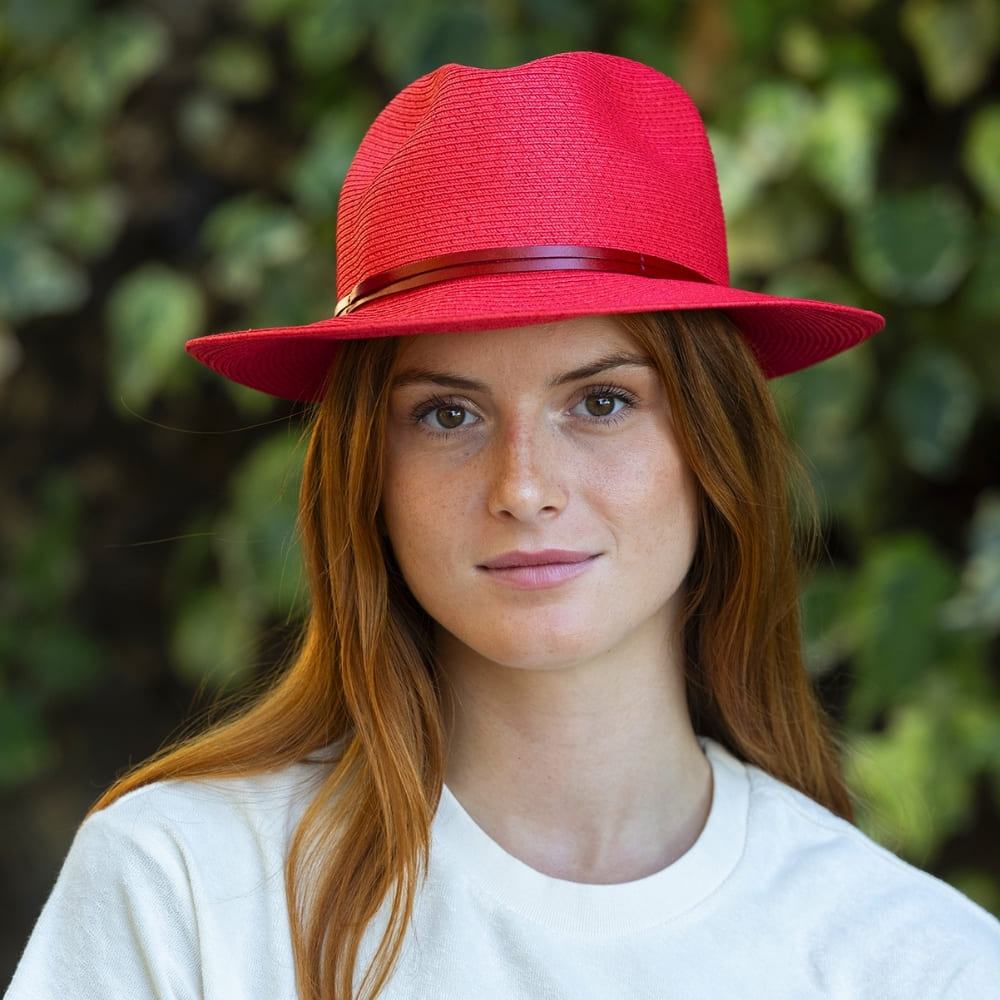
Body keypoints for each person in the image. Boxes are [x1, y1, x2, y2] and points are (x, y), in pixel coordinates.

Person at [6, 51, 999, 1000]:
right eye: (448, 414)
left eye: (601, 402)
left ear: (714, 444)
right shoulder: (182, 889)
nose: (523, 487)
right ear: (367, 474)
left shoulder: (917, 964)